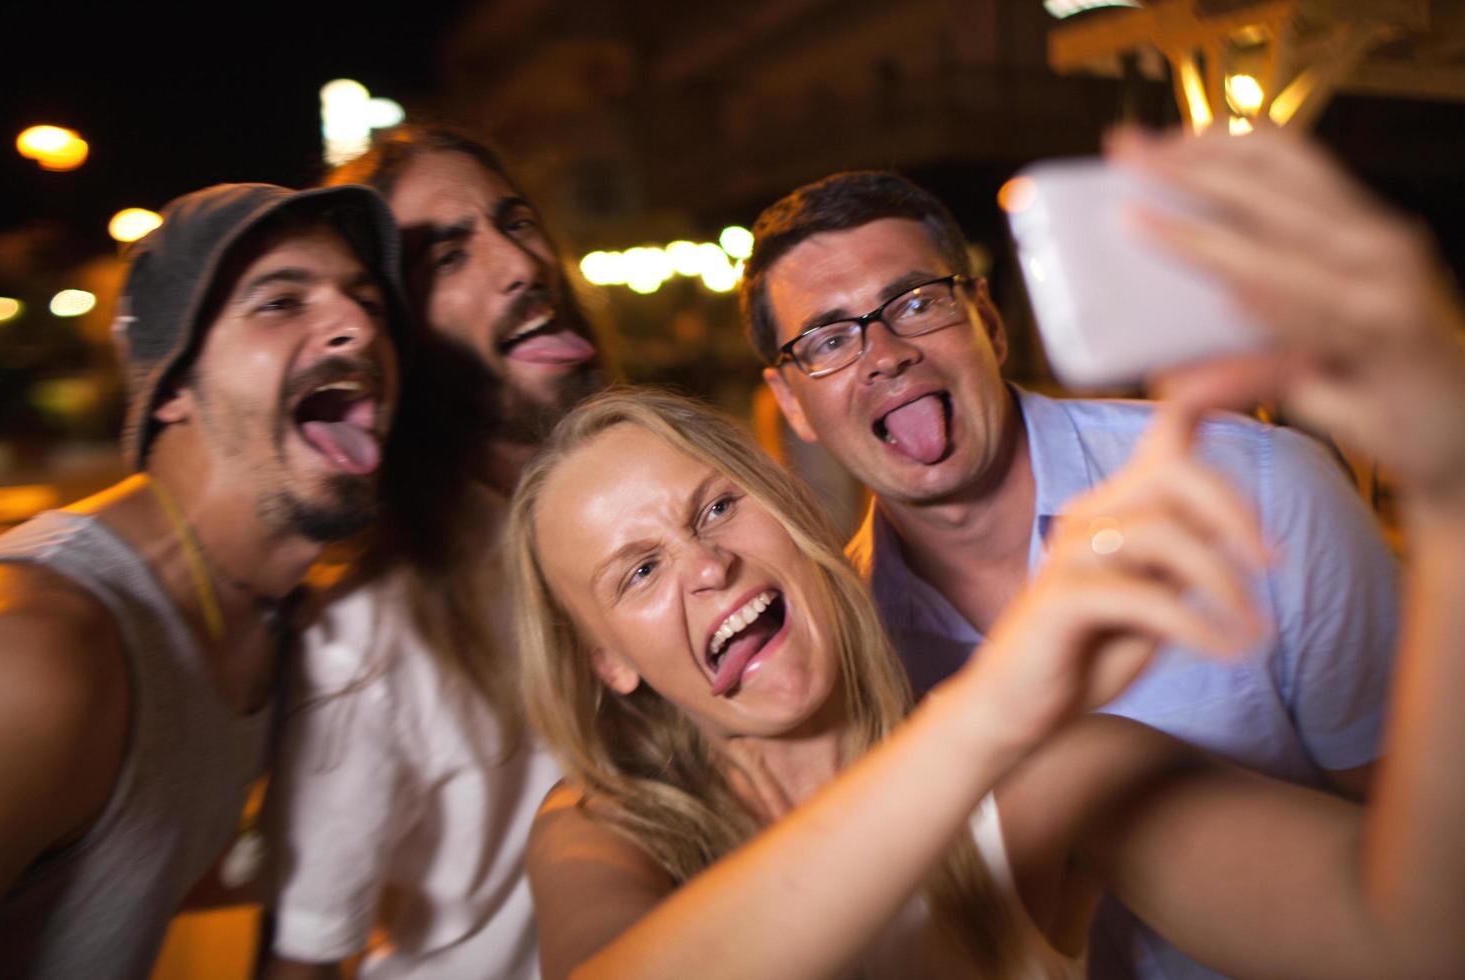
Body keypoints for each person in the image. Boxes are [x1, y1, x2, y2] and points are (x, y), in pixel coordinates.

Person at [510, 213, 1465, 972]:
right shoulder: (599, 833)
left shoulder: (1046, 774)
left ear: (794, 517)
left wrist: (1448, 492)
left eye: (717, 508)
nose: (705, 566)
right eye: (636, 572)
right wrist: (991, 712)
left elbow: (1411, 935)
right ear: (606, 660)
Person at [737, 135, 1400, 977]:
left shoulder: (1258, 488)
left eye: (913, 303)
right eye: (827, 340)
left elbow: (1416, 835)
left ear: (986, 320)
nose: (884, 354)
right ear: (792, 402)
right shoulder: (841, 653)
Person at [0, 182, 406, 979]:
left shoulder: (271, 621)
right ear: (173, 384)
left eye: (369, 303)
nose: (360, 325)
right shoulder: (38, 652)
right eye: (280, 301)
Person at [262, 125, 605, 980]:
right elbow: (302, 956)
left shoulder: (666, 521)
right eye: (447, 257)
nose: (522, 265)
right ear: (391, 338)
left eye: (516, 223)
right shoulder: (361, 639)